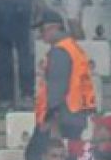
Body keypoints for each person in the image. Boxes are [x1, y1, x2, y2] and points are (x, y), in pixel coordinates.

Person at [35, 11, 97, 142]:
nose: (40, 35)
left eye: (42, 30)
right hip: (76, 114)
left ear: (54, 27)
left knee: (37, 154)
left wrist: (52, 119)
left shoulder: (59, 51)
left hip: (63, 116)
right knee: (68, 156)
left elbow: (57, 87)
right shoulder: (73, 48)